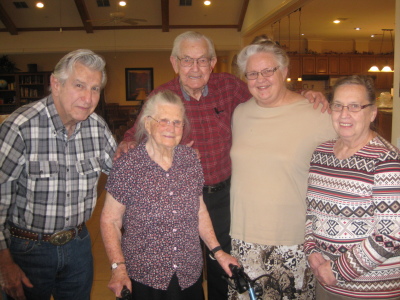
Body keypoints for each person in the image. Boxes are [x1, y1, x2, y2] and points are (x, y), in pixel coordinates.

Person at [116, 31, 328, 300]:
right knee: (182, 269)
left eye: (202, 60)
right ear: (174, 62)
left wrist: (306, 95)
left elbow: (268, 94)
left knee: (223, 267)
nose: (195, 68)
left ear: (213, 62)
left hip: (225, 198)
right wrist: (126, 143)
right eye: (187, 60)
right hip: (181, 198)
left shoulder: (228, 87)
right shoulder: (162, 96)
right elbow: (136, 134)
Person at [0, 49, 117, 300]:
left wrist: (163, 151)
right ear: (56, 84)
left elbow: (124, 178)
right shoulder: (20, 127)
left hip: (79, 245)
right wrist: (4, 263)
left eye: (95, 88)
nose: (88, 98)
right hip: (27, 249)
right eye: (79, 85)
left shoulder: (97, 128)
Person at [100, 90, 238, 300]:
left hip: (188, 274)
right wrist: (118, 267)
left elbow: (199, 212)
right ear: (148, 124)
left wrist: (218, 251)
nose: (171, 129)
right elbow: (110, 220)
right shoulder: (128, 165)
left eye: (177, 122)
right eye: (163, 120)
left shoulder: (190, 159)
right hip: (145, 278)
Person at [228, 37, 337, 300]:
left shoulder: (317, 113)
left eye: (269, 70)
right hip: (244, 239)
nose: (260, 79)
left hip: (294, 242)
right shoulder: (240, 113)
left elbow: (343, 162)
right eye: (252, 73)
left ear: (285, 72)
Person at [304, 75, 400, 299]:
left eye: (354, 106)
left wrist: (338, 270)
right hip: (326, 283)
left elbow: (391, 234)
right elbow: (311, 213)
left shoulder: (387, 160)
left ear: (372, 113)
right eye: (338, 106)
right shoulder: (321, 153)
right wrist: (311, 251)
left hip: (371, 290)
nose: (344, 114)